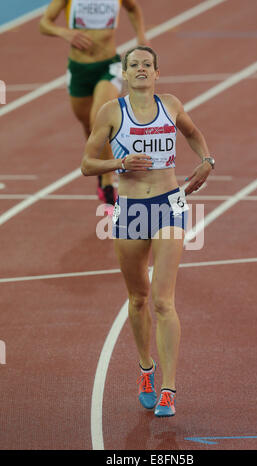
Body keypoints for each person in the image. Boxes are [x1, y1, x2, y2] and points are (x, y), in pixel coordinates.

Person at [81, 46, 215, 417]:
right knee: (138, 299)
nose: (141, 69)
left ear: (157, 73)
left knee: (163, 300)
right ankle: (146, 370)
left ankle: (169, 390)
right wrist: (119, 161)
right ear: (125, 73)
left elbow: (194, 132)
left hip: (169, 204)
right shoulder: (112, 112)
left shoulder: (170, 104)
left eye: (147, 65)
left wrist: (206, 160)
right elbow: (86, 164)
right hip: (130, 210)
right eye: (134, 64)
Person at [39, 0, 148, 210]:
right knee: (89, 128)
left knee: (99, 118)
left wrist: (141, 36)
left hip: (109, 65)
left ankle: (108, 180)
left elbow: (133, 8)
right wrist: (64, 33)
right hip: (79, 69)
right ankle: (101, 175)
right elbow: (44, 23)